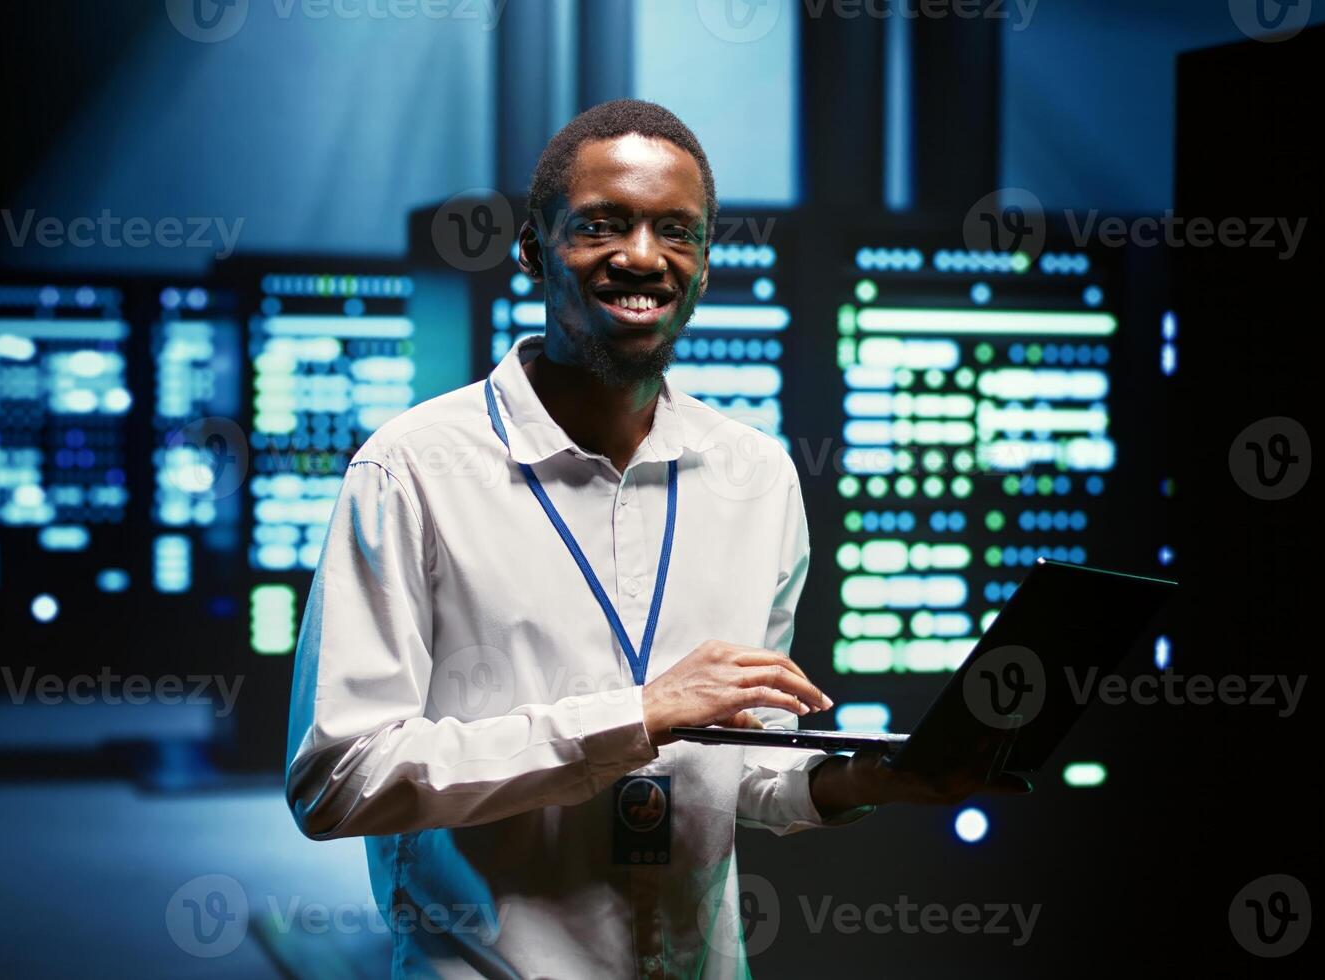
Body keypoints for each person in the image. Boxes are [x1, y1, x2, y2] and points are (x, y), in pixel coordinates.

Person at [285, 98, 1027, 979]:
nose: (642, 257)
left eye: (677, 231)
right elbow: (338, 779)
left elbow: (738, 766)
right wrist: (636, 714)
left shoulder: (757, 477)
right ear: (532, 249)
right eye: (603, 225)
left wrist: (861, 780)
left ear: (706, 264)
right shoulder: (410, 472)